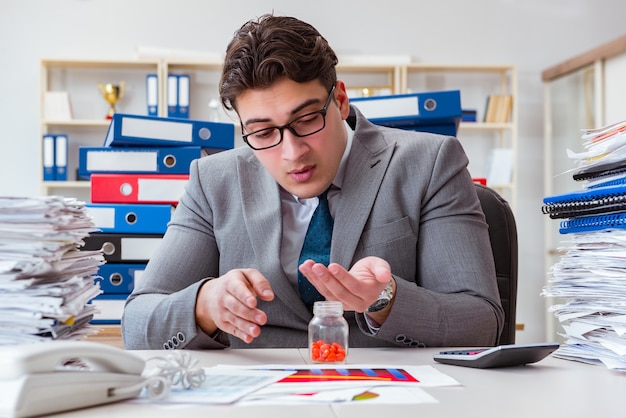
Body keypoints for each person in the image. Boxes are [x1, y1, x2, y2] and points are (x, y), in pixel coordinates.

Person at [121, 13, 504, 350]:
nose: (292, 152)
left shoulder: (429, 163)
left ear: (339, 100)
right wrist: (205, 304)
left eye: (305, 120)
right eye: (263, 132)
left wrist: (385, 299)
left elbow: (482, 323)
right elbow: (137, 324)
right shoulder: (213, 180)